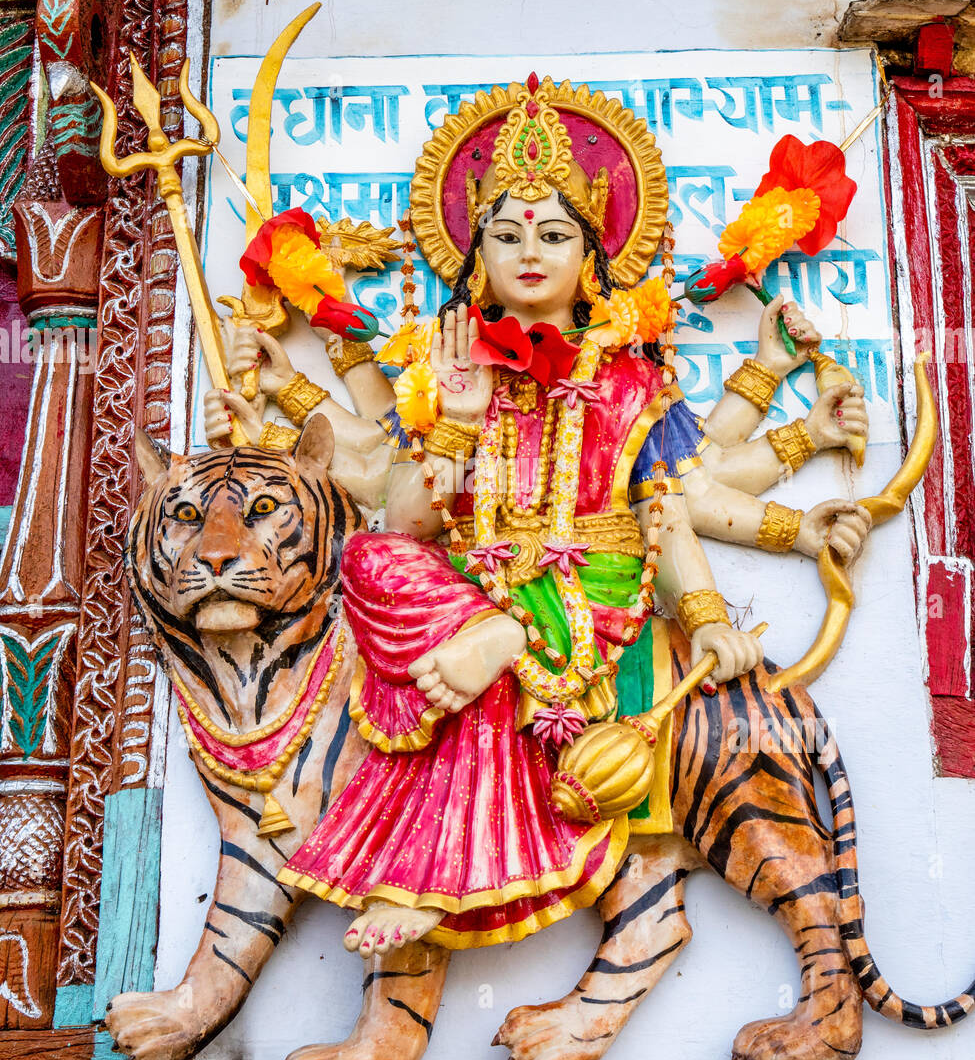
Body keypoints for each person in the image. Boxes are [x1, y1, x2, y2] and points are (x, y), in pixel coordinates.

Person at [205, 75, 870, 957]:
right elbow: (404, 523)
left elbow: (672, 505)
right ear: (474, 255)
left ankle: (472, 758)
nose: (529, 250)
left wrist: (709, 617)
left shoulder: (633, 383)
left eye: (555, 234)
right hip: (472, 591)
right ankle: (494, 637)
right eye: (506, 233)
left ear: (591, 258)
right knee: (368, 559)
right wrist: (456, 418)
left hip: (589, 597)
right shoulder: (437, 372)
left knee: (485, 664)